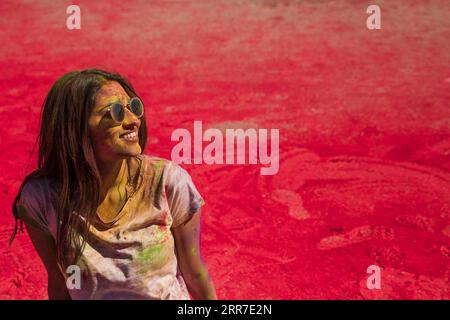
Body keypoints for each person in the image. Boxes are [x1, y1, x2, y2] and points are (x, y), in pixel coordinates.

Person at [10, 69, 217, 300]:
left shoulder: (166, 183)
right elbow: (60, 283)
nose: (133, 120)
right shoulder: (41, 199)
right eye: (115, 113)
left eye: (133, 107)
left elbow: (195, 274)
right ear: (76, 128)